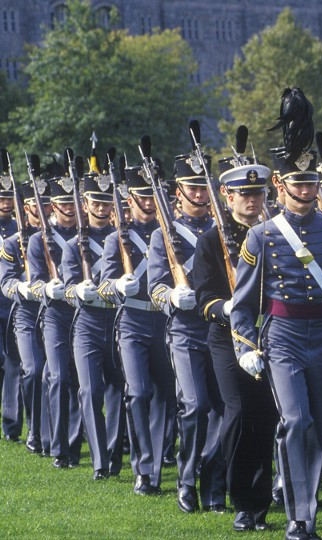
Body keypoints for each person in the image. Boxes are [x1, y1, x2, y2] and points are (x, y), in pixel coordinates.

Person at [230, 87, 322, 540]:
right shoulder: (261, 237)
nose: (307, 190)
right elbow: (244, 299)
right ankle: (299, 518)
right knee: (296, 420)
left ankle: (304, 508)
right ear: (281, 185)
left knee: (317, 425)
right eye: (299, 183)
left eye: (313, 184)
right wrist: (244, 344)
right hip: (282, 335)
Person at [194, 154, 279, 532]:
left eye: (258, 193)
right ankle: (238, 497)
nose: (252, 201)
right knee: (240, 413)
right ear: (227, 196)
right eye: (244, 194)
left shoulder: (275, 234)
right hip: (227, 339)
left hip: (270, 335)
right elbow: (204, 298)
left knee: (267, 417)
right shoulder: (211, 240)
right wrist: (226, 306)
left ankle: (259, 504)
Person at [148, 148, 225, 513]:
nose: (198, 193)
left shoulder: (222, 230)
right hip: (185, 331)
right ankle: (186, 479)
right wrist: (171, 297)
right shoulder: (162, 234)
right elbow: (155, 286)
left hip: (219, 328)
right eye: (192, 187)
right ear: (178, 191)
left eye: (202, 186)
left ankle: (214, 482)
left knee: (225, 410)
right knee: (195, 406)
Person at [99, 163, 172, 496]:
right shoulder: (118, 238)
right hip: (132, 322)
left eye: (152, 195)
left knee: (168, 396)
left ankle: (156, 467)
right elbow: (102, 287)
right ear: (130, 200)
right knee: (139, 392)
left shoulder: (169, 233)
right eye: (142, 196)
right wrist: (117, 284)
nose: (148, 202)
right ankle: (142, 470)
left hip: (166, 321)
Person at [62, 165, 124, 479]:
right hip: (87, 322)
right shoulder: (74, 245)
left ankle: (114, 456)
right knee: (90, 390)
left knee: (118, 390)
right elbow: (68, 287)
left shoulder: (123, 241)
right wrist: (77, 290)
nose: (101, 209)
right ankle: (100, 460)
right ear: (84, 206)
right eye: (95, 204)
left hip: (116, 319)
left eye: (106, 203)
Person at [30, 166, 83, 469]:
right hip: (55, 315)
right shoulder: (40, 240)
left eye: (73, 203)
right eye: (64, 204)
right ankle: (58, 447)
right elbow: (35, 279)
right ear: (53, 206)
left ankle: (73, 445)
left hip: (84, 312)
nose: (69, 210)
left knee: (80, 381)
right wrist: (46, 287)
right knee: (59, 376)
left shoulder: (86, 235)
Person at [0, 172, 49, 457]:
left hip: (50, 311)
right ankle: (14, 422)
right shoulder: (13, 240)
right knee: (20, 367)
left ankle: (47, 429)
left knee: (44, 371)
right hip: (17, 306)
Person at [0, 154, 21, 443]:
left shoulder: (21, 230)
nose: (5, 203)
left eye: (8, 198)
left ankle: (12, 423)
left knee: (13, 364)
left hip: (12, 302)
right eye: (0, 197)